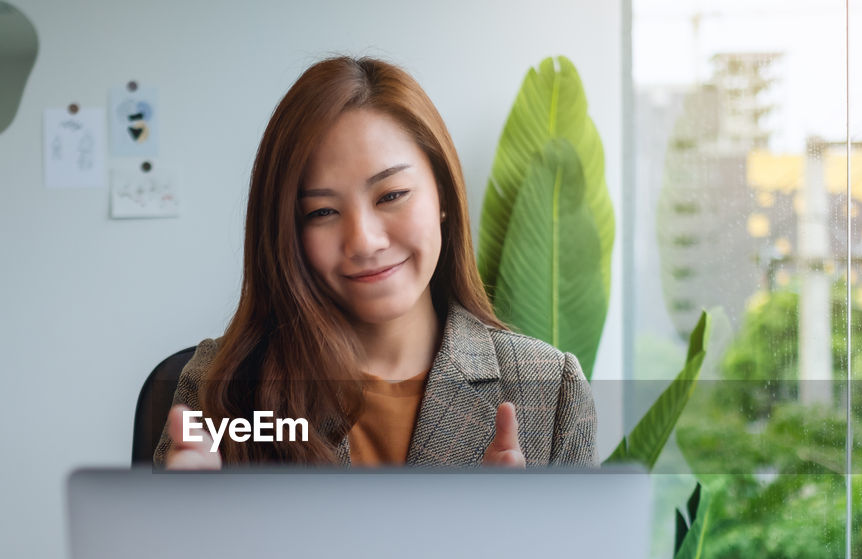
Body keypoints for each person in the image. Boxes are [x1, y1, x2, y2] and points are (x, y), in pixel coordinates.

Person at [154, 56, 596, 469]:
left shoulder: (551, 389)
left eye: (391, 196)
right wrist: (195, 524)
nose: (364, 241)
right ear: (288, 232)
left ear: (442, 193)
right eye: (322, 212)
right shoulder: (219, 386)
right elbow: (158, 551)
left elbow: (580, 554)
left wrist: (510, 539)